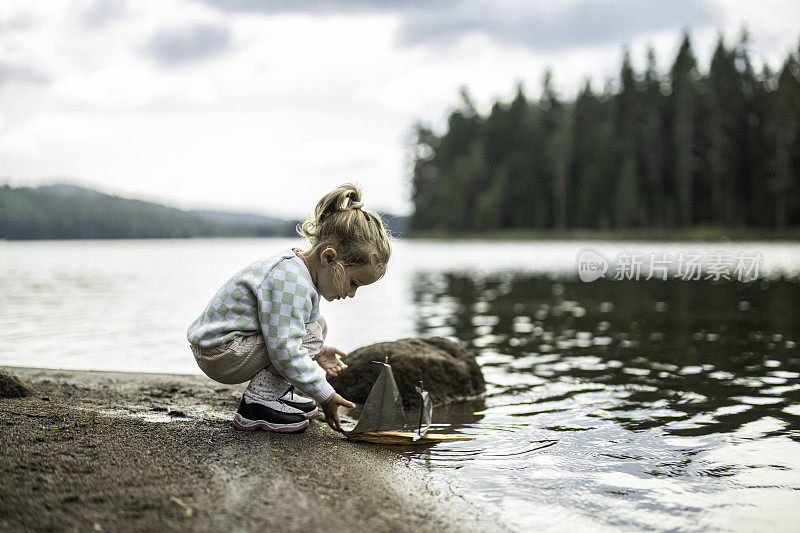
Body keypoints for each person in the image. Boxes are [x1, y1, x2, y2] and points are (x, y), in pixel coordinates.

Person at [187, 184, 391, 433]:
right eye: (353, 283)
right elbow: (285, 349)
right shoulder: (291, 281)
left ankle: (271, 396)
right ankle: (257, 404)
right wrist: (325, 394)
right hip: (220, 353)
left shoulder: (299, 270)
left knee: (316, 326)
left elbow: (293, 330)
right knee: (304, 334)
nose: (351, 294)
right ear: (329, 258)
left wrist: (319, 350)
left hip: (225, 348)